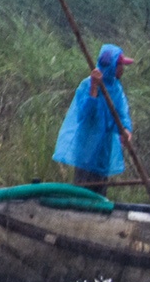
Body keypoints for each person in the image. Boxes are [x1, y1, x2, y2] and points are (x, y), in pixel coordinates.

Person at [53, 43, 135, 186]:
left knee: (100, 187)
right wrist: (94, 89)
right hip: (86, 148)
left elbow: (122, 113)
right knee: (82, 188)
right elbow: (85, 115)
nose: (122, 69)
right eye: (120, 65)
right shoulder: (87, 85)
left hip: (104, 150)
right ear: (112, 67)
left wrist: (126, 129)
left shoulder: (116, 88)